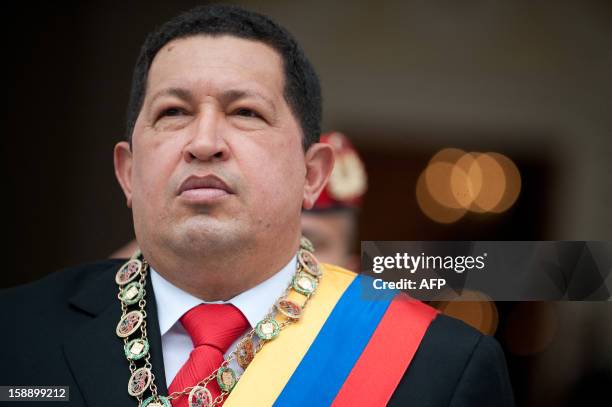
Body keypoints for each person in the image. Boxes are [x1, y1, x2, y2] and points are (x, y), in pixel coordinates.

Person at [0, 5, 514, 407]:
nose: (204, 142)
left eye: (244, 112)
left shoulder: (439, 364)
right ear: (127, 172)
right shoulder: (17, 332)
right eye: (173, 112)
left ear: (312, 175)